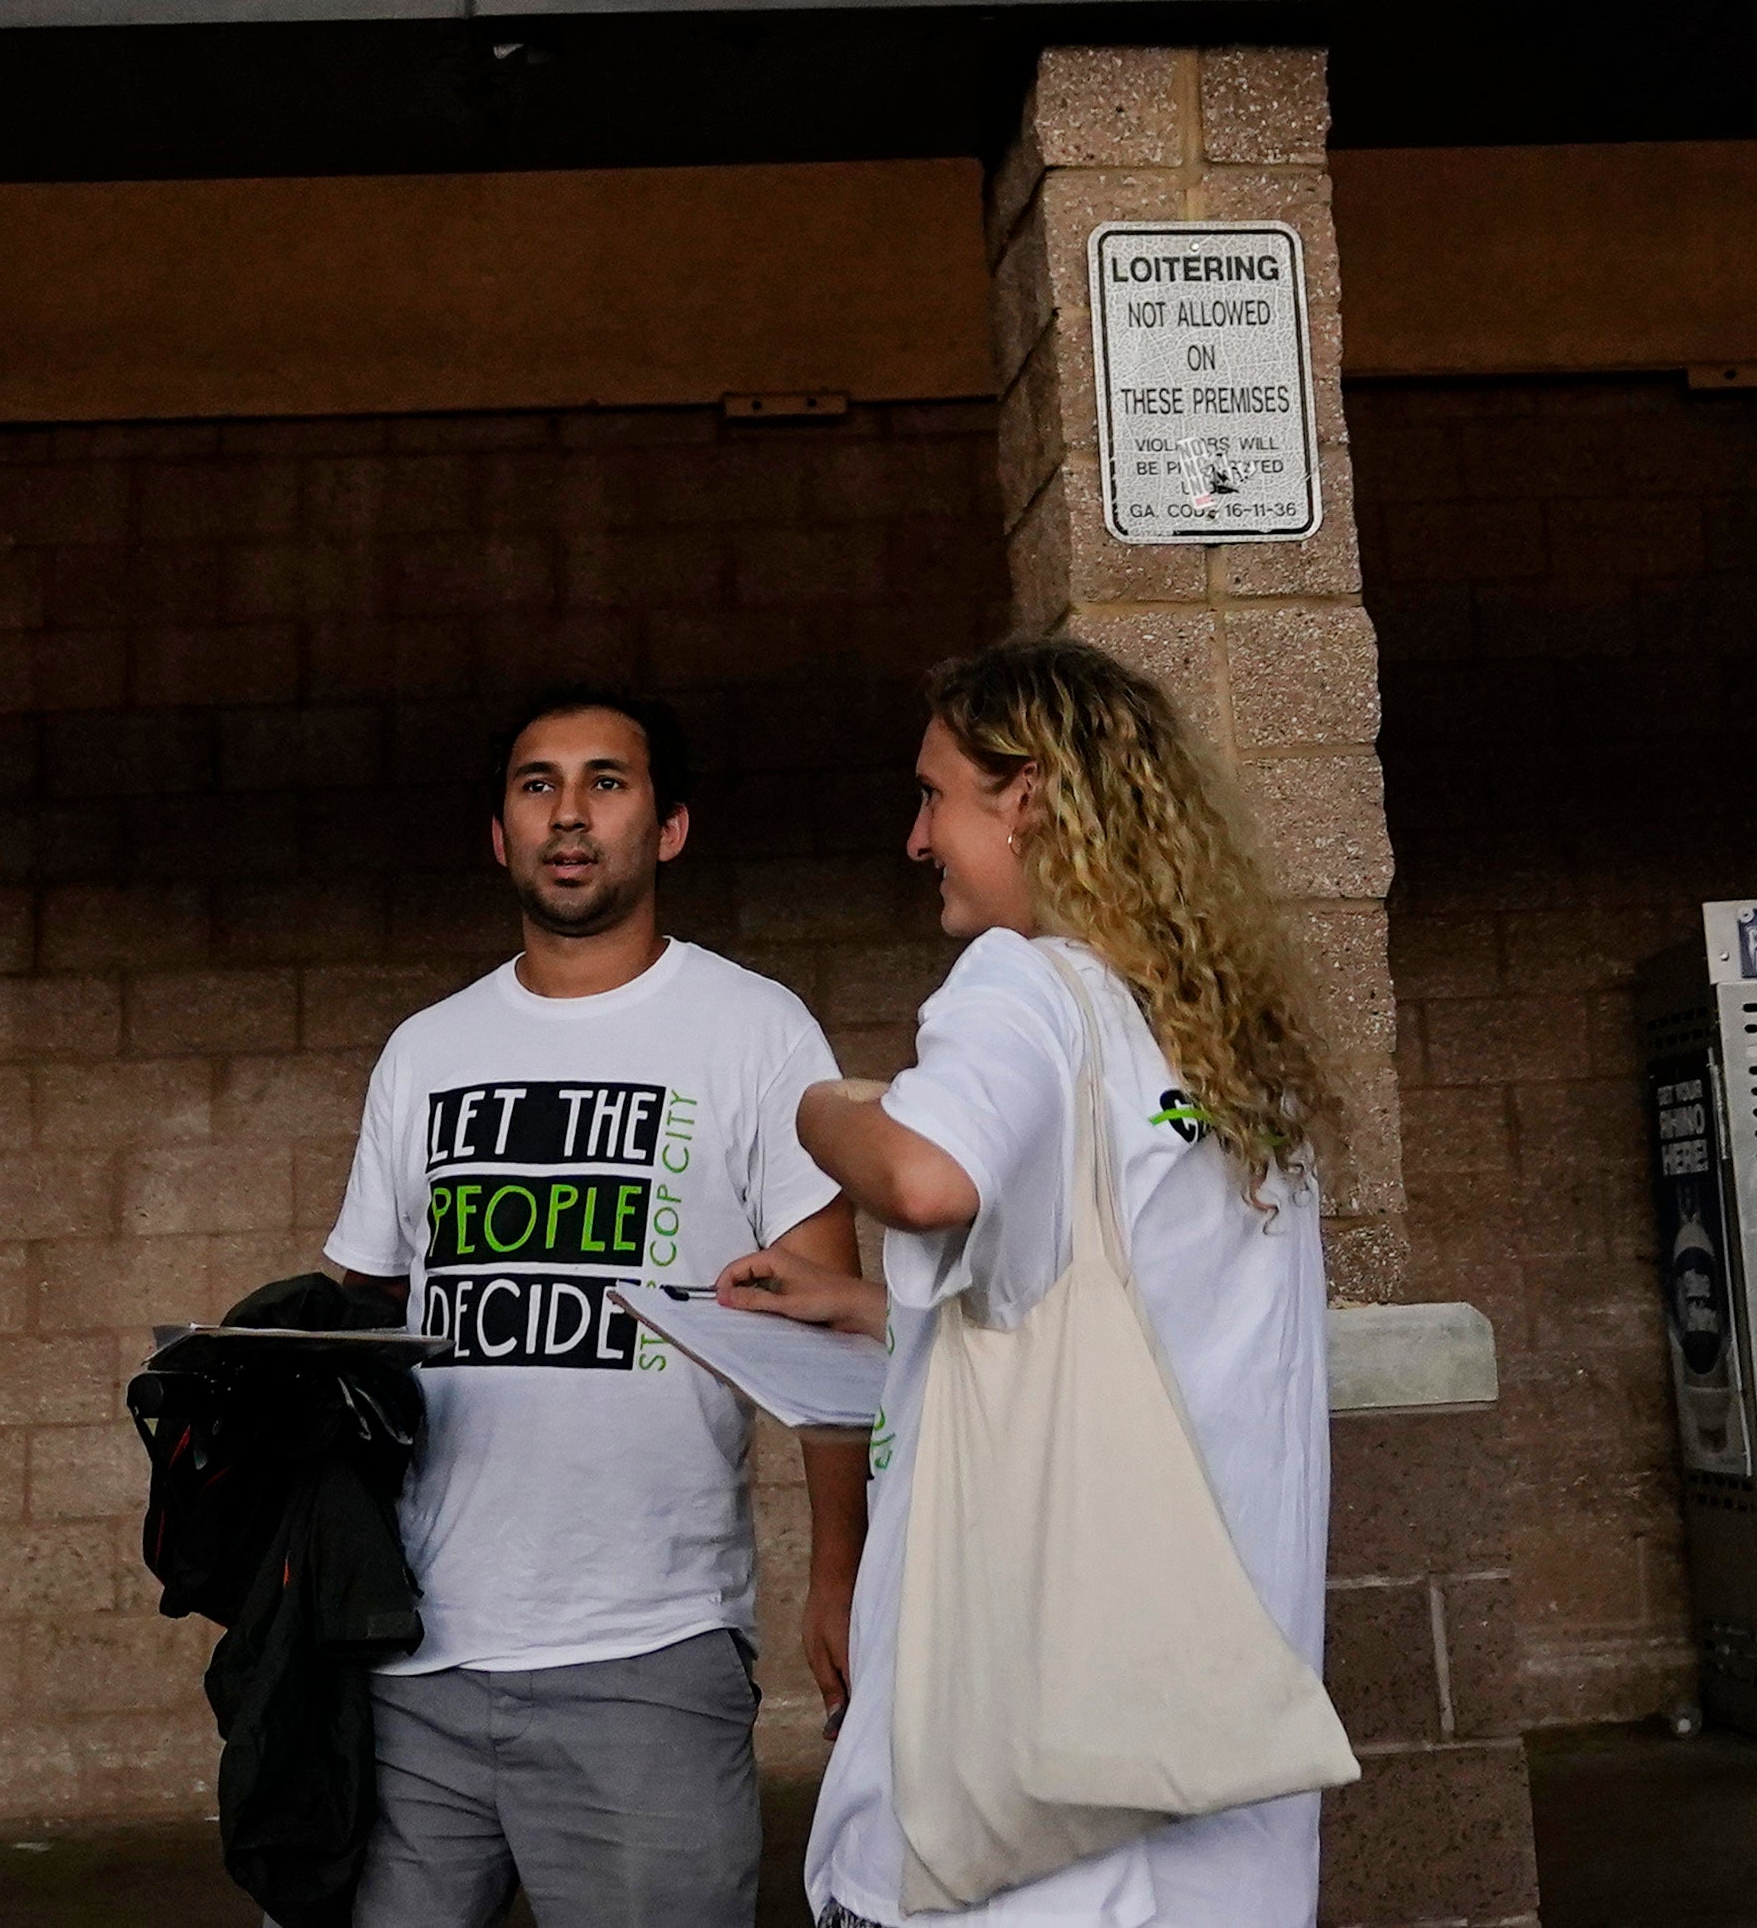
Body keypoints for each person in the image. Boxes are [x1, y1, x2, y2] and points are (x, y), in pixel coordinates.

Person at [717, 637, 1338, 1928]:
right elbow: (1126, 1325)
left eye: (935, 793)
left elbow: (926, 1180)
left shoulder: (1029, 982)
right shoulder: (1221, 1042)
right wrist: (878, 1314)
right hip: (1217, 1775)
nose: (916, 836)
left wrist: (821, 1108)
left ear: (1029, 795)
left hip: (1035, 1822)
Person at [317, 690, 874, 1928]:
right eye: (537, 783)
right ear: (499, 831)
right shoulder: (425, 1049)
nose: (568, 813)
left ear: (668, 827)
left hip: (647, 1650)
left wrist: (843, 1566)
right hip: (414, 1655)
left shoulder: (755, 1028)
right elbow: (359, 1326)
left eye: (606, 782)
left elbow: (835, 1339)